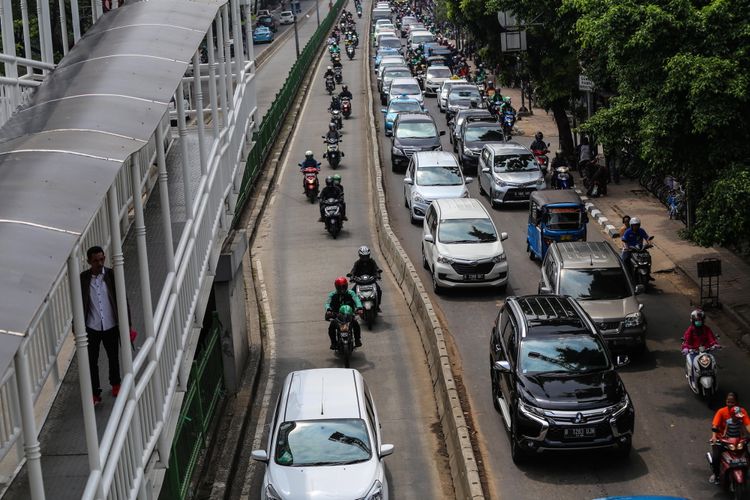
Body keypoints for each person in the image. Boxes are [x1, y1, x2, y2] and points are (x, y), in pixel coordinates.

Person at [80, 246, 123, 405]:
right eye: (95, 260)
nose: (99, 263)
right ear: (89, 261)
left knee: (113, 356)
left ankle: (116, 384)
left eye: (102, 259)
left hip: (111, 324)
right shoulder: (83, 279)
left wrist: (128, 324)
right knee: (91, 361)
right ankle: (94, 393)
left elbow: (122, 299)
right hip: (92, 327)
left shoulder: (111, 275)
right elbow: (78, 305)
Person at [710, 392, 750, 483]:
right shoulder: (721, 412)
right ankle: (716, 475)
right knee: (716, 457)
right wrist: (714, 437)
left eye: (733, 402)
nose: (730, 404)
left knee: (747, 454)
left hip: (737, 441)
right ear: (726, 402)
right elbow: (715, 425)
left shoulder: (741, 412)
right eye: (728, 402)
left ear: (737, 402)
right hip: (722, 440)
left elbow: (747, 425)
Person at [324, 277, 363, 348]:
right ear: (336, 287)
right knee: (331, 327)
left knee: (356, 324)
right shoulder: (332, 295)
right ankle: (333, 343)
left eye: (343, 287)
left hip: (349, 315)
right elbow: (327, 303)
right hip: (337, 315)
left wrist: (360, 307)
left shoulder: (351, 293)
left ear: (347, 285)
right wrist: (328, 309)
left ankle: (357, 340)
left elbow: (357, 300)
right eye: (340, 287)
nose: (342, 289)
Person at [350, 245, 383, 310]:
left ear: (369, 255)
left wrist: (378, 274)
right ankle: (354, 307)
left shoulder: (372, 262)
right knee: (352, 292)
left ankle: (377, 305)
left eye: (366, 256)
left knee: (379, 290)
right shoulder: (357, 263)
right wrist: (351, 276)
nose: (365, 258)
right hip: (360, 281)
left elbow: (376, 269)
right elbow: (353, 270)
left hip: (371, 280)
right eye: (363, 257)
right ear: (360, 256)